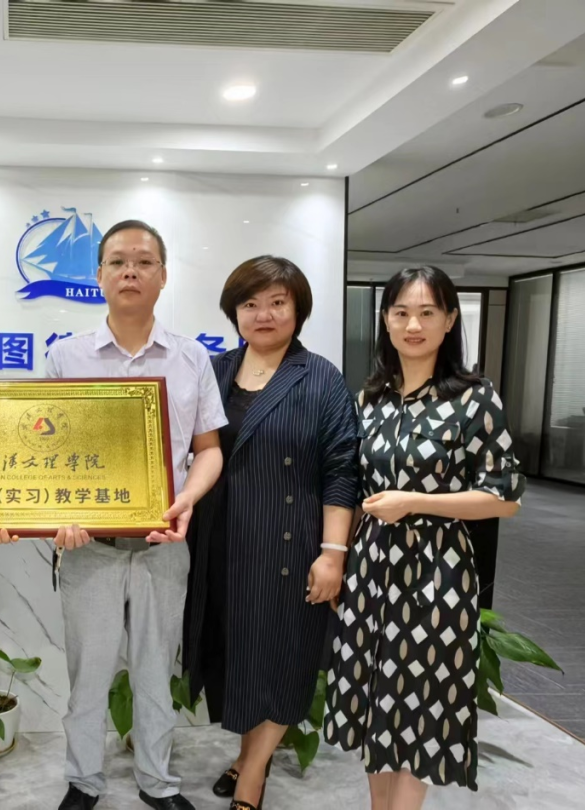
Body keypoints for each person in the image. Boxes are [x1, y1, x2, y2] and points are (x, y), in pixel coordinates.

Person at [323, 266, 525, 810]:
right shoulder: (372, 398)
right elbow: (352, 486)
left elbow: (505, 497)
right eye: (402, 313)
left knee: (420, 702)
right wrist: (340, 558)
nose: (413, 325)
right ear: (385, 321)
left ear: (450, 320)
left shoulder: (475, 398)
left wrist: (414, 501)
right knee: (375, 700)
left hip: (437, 569)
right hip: (371, 567)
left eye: (427, 313)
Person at [42, 220, 226, 810]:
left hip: (163, 545)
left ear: (163, 276)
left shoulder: (192, 358)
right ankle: (83, 781)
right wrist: (59, 513)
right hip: (88, 548)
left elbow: (209, 449)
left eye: (144, 262)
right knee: (88, 676)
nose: (130, 272)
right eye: (118, 261)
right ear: (98, 275)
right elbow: (45, 455)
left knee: (155, 673)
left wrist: (187, 498)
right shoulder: (65, 356)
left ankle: (157, 782)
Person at [182, 256, 359, 810]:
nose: (264, 314)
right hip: (218, 544)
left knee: (283, 659)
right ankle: (244, 756)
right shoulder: (213, 370)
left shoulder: (321, 377)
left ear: (298, 310)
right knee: (236, 659)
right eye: (250, 303)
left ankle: (253, 776)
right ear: (234, 312)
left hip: (290, 544)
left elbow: (342, 470)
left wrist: (333, 553)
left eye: (277, 302)